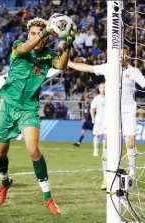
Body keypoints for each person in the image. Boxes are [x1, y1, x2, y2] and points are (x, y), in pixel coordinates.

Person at [0, 17, 76, 214]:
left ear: (47, 39)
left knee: (33, 150)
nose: (35, 37)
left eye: (39, 34)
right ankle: (5, 182)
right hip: (7, 105)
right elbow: (24, 48)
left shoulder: (49, 55)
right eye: (32, 34)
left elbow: (61, 66)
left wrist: (68, 45)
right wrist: (45, 31)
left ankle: (48, 198)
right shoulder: (19, 46)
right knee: (0, 153)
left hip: (28, 108)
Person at [68, 46, 145, 189]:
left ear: (128, 56)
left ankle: (133, 172)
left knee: (130, 143)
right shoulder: (108, 67)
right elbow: (87, 68)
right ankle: (106, 178)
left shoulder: (134, 72)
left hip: (128, 111)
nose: (121, 56)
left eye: (124, 54)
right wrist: (69, 63)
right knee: (107, 143)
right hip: (112, 112)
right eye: (119, 54)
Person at [90, 83, 105, 157]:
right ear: (99, 89)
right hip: (99, 119)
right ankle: (95, 149)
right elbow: (92, 108)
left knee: (107, 136)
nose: (103, 89)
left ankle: (105, 151)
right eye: (101, 87)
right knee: (97, 135)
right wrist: (93, 118)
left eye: (104, 87)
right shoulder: (96, 98)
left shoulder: (110, 97)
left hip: (108, 120)